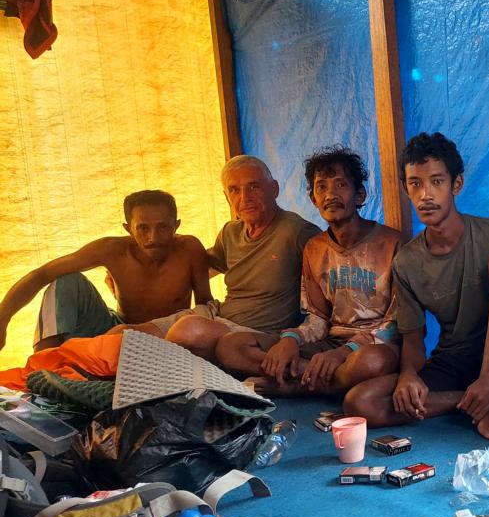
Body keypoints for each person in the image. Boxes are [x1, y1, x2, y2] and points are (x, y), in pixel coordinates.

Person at [344, 132, 489, 440]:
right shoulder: (408, 262)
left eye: (437, 182)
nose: (426, 194)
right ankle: (472, 402)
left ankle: (487, 394)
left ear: (456, 185)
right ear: (406, 188)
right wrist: (408, 375)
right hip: (454, 362)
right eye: (415, 183)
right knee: (360, 402)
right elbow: (413, 339)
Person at [215, 145, 401, 395]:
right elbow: (318, 319)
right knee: (231, 345)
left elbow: (395, 324)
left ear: (359, 196)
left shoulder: (393, 244)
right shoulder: (314, 248)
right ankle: (319, 380)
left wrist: (346, 352)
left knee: (372, 362)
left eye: (341, 185)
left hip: (372, 347)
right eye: (321, 187)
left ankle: (295, 385)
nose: (330, 194)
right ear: (313, 198)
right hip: (328, 343)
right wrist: (292, 340)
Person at [129, 155, 320, 360]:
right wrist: (143, 269)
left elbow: (330, 278)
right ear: (226, 196)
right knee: (128, 335)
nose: (244, 197)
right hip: (216, 315)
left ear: (274, 189)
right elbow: (204, 267)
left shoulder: (297, 231)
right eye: (234, 190)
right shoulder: (231, 231)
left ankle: (160, 372)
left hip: (255, 332)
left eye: (253, 186)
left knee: (187, 331)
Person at [0, 190, 211, 353]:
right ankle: (45, 368)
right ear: (128, 228)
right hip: (115, 330)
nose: (153, 237)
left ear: (176, 225)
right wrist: (3, 318)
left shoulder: (189, 249)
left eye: (163, 227)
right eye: (143, 228)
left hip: (169, 337)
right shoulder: (113, 250)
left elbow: (205, 306)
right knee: (66, 281)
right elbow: (42, 274)